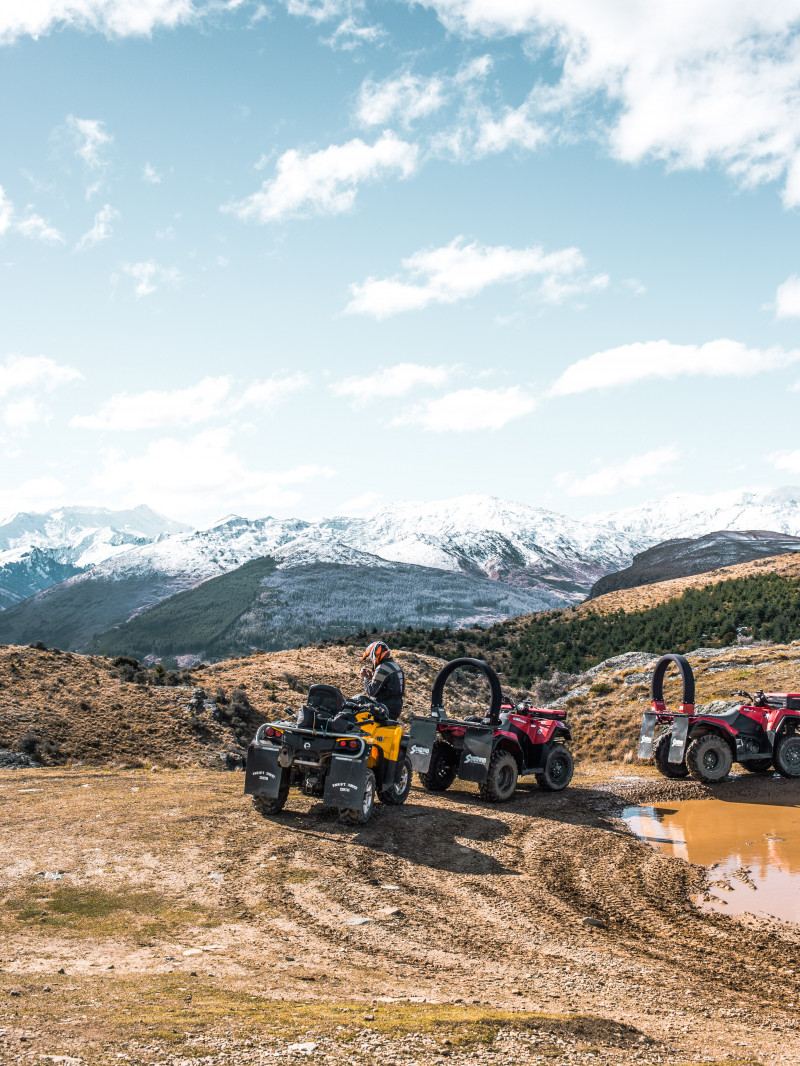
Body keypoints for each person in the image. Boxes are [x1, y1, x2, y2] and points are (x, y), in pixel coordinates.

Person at [361, 640, 405, 718]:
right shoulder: (395, 665)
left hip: (384, 709)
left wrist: (365, 677)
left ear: (375, 655)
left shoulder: (383, 668)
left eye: (371, 657)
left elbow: (371, 691)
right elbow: (385, 687)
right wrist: (371, 678)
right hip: (395, 707)